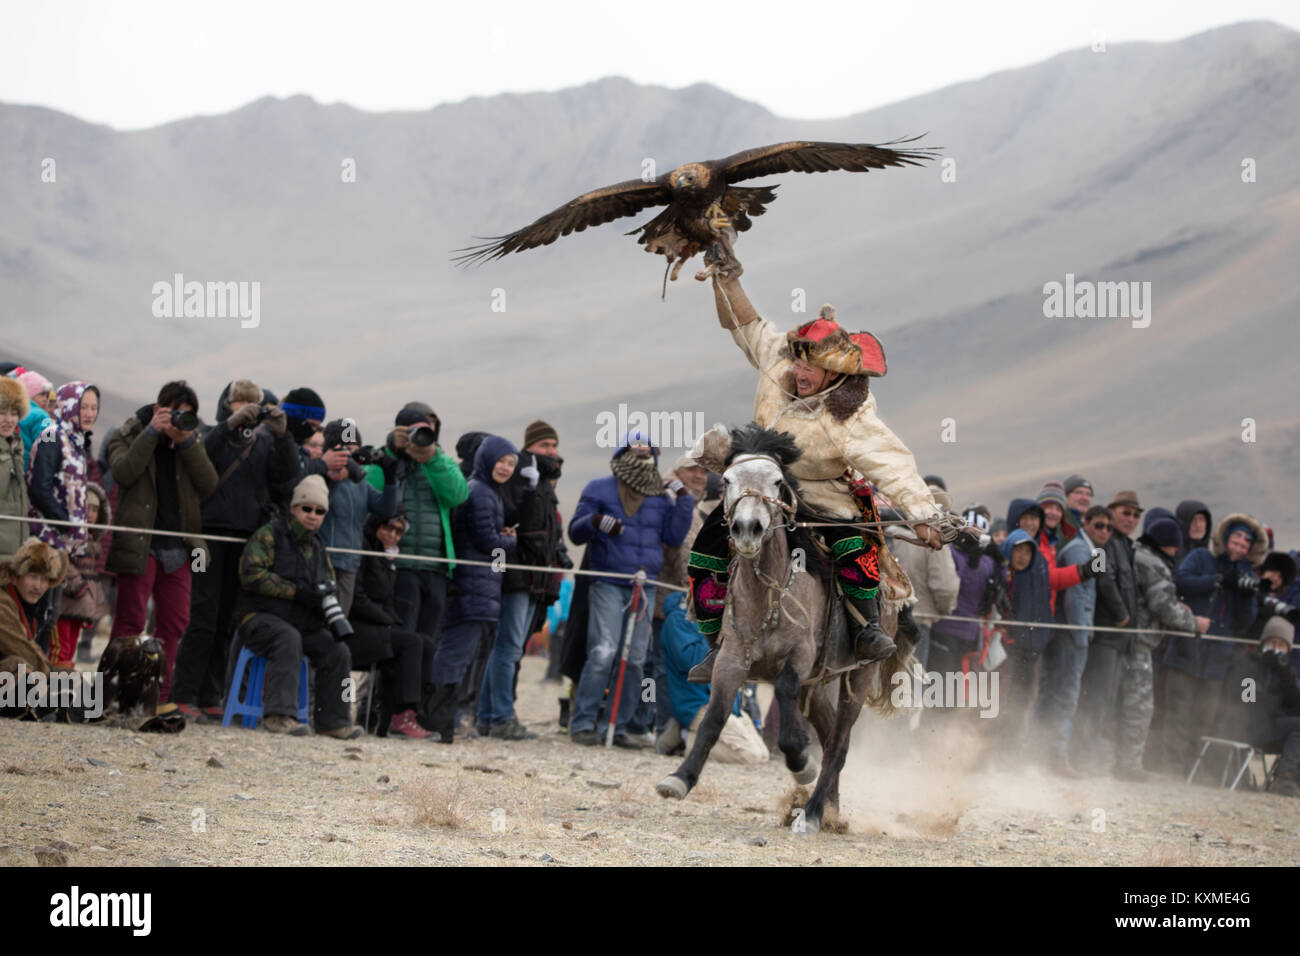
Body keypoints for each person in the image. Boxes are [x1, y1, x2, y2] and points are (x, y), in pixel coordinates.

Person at [688, 262, 950, 681]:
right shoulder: (779, 362)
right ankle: (716, 644)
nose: (800, 371)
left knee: (853, 547)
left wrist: (923, 514)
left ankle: (867, 630)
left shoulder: (851, 417)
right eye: (798, 361)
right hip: (762, 489)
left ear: (833, 372)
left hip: (821, 498)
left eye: (811, 367)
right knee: (707, 551)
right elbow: (745, 324)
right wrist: (727, 279)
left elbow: (894, 464)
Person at [169, 381, 296, 720]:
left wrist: (284, 438)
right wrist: (229, 426)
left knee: (226, 619)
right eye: (239, 402)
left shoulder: (264, 442)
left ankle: (211, 695)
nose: (245, 408)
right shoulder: (211, 433)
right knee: (201, 617)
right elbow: (202, 457)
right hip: (207, 537)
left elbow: (287, 480)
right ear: (227, 404)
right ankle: (183, 693)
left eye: (251, 404)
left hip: (245, 538)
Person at [568, 430, 693, 746]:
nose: (642, 457)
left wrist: (684, 500)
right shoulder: (598, 488)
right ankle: (583, 723)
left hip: (645, 583)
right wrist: (596, 521)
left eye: (648, 452)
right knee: (604, 651)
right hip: (608, 581)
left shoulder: (660, 497)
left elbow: (674, 538)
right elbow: (575, 532)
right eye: (635, 451)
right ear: (621, 454)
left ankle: (617, 726)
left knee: (636, 658)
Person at [105, 382, 219, 703]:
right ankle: (112, 696)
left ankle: (157, 698)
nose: (181, 421)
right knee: (130, 622)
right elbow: (123, 473)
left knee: (175, 624)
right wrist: (151, 434)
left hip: (179, 548)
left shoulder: (190, 442)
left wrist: (187, 444)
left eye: (188, 417)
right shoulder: (127, 433)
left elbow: (209, 483)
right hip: (140, 543)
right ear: (159, 410)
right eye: (176, 414)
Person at [233, 475, 360, 738]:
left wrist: (321, 600)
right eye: (307, 508)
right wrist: (295, 592)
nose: (312, 515)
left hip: (300, 621)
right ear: (294, 508)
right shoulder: (269, 534)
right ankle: (279, 715)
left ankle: (333, 721)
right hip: (258, 618)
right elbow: (251, 574)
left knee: (338, 650)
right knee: (287, 638)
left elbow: (330, 584)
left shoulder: (318, 547)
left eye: (319, 511)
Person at [422, 435, 519, 742]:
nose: (505, 468)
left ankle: (445, 721)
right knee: (454, 653)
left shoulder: (489, 492)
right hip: (472, 585)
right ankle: (439, 721)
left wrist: (499, 540)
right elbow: (487, 542)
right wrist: (510, 542)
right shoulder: (481, 492)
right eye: (502, 461)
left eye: (511, 464)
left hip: (479, 585)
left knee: (459, 653)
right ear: (487, 459)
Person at [479, 420, 568, 739]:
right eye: (544, 445)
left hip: (536, 577)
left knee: (509, 647)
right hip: (517, 573)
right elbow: (510, 517)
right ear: (529, 446)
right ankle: (499, 716)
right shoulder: (520, 474)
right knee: (508, 647)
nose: (551, 451)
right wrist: (527, 490)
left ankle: (489, 716)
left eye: (554, 446)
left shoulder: (545, 480)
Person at [1162, 512, 1265, 775]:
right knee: (1178, 711)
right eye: (1236, 541)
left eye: (1245, 545)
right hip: (1187, 649)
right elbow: (1180, 581)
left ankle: (1194, 771)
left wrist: (1246, 594)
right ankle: (1171, 767)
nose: (1239, 548)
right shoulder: (1201, 558)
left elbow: (1245, 622)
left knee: (1204, 717)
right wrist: (1217, 581)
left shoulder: (1246, 574)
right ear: (1225, 539)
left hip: (1217, 660)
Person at [366, 406, 469, 664]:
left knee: (428, 643)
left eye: (430, 428)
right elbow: (369, 491)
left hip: (436, 566)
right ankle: (386, 699)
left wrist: (431, 458)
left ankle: (417, 700)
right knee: (400, 640)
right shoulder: (385, 458)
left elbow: (458, 494)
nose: (424, 432)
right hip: (398, 564)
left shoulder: (439, 461)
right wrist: (390, 452)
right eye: (417, 428)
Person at [1117, 516, 1210, 781]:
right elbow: (1162, 605)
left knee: (1120, 702)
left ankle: (1115, 761)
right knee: (1139, 706)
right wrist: (1194, 624)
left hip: (1126, 641)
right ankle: (1129, 766)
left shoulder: (1135, 555)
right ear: (1169, 545)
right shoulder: (1154, 563)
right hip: (1139, 644)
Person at [26, 381, 100, 652]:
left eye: (94, 407)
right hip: (44, 541)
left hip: (63, 545)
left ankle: (39, 681)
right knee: (39, 614)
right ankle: (23, 684)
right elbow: (39, 486)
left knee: (51, 615)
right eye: (84, 406)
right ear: (69, 405)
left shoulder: (77, 442)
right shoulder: (50, 434)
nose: (90, 413)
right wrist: (65, 522)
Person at [1038, 503, 1110, 776]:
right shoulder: (1081, 550)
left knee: (1054, 693)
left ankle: (1045, 753)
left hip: (1069, 632)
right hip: (1072, 633)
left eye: (1108, 526)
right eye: (1098, 525)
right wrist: (1081, 634)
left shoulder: (1085, 549)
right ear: (1086, 524)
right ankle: (1055, 758)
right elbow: (1076, 597)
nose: (1104, 531)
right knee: (1064, 696)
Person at [346, 513, 430, 739]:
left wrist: (394, 623)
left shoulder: (386, 557)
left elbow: (387, 601)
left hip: (378, 625)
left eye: (398, 531)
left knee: (425, 643)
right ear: (375, 525)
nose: (392, 535)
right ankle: (402, 715)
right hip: (354, 628)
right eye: (388, 528)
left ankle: (410, 716)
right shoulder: (363, 550)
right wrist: (388, 622)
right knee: (410, 643)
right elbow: (357, 598)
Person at [315, 418, 398, 614]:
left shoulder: (360, 482)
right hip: (325, 561)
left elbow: (386, 509)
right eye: (347, 449)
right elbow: (321, 504)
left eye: (355, 449)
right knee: (321, 620)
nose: (352, 455)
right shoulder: (321, 478)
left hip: (350, 563)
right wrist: (334, 478)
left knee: (340, 621)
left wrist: (390, 477)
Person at [1217, 617, 1300, 796]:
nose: (1276, 648)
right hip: (1246, 726)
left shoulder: (1286, 671)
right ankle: (1283, 778)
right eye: (1272, 642)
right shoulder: (1247, 663)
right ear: (1263, 643)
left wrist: (1287, 679)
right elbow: (1247, 701)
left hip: (1270, 728)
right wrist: (1260, 669)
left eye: (1281, 645)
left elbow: (1295, 705)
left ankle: (1287, 777)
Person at [996, 528, 1053, 760]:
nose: (1022, 556)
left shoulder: (1033, 579)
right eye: (1018, 550)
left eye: (1027, 552)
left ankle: (1009, 752)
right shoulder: (999, 574)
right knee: (995, 699)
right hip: (998, 648)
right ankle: (986, 749)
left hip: (1026, 648)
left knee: (1019, 700)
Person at [890, 483, 960, 670]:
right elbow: (945, 586)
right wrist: (943, 610)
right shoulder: (935, 539)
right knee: (911, 681)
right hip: (918, 619)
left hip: (884, 618)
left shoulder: (890, 533)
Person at [0, 538, 67, 709]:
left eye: (44, 580)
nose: (38, 586)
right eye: (33, 577)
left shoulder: (34, 606)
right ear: (15, 578)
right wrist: (50, 678)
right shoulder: (3, 603)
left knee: (71, 676)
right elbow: (19, 646)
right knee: (19, 668)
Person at [52, 482, 112, 669]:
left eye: (95, 509)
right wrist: (78, 586)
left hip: (80, 606)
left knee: (70, 649)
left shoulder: (93, 541)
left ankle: (62, 689)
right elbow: (63, 562)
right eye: (87, 508)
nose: (91, 514)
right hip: (67, 602)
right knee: (61, 647)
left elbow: (92, 576)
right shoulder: (71, 537)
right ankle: (55, 691)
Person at [0, 376, 31, 563]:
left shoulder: (16, 449)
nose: (9, 420)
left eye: (14, 413)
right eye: (2, 412)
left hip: (14, 552)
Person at [15, 370, 54, 473]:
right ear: (29, 394)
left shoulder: (14, 412)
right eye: (42, 395)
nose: (46, 399)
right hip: (30, 470)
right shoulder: (42, 415)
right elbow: (48, 448)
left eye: (47, 395)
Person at [1173, 499, 1212, 566]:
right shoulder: (1171, 556)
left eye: (1201, 519)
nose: (1198, 525)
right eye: (1193, 519)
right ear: (1182, 523)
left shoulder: (1214, 554)